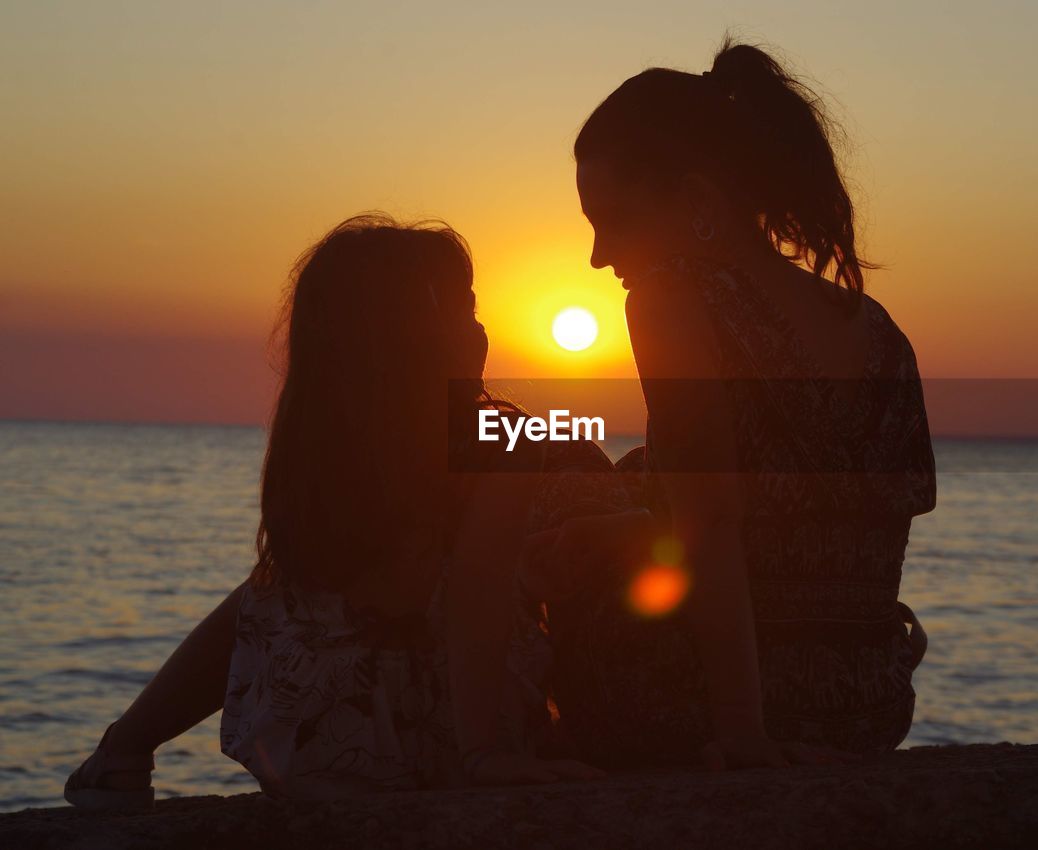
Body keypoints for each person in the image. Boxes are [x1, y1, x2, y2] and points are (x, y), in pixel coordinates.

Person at [64, 214, 613, 808]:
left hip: (306, 740)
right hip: (439, 738)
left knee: (268, 592)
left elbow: (288, 606)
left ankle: (121, 750)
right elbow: (475, 594)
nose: (482, 332)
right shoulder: (499, 439)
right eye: (467, 312)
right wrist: (485, 754)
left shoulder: (319, 450)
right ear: (425, 333)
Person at [534, 38, 937, 771]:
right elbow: (829, 533)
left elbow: (713, 523)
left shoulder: (673, 300)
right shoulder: (881, 331)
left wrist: (743, 735)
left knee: (527, 489)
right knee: (607, 485)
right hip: (868, 707)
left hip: (707, 699)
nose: (597, 256)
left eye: (614, 220)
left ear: (694, 202)